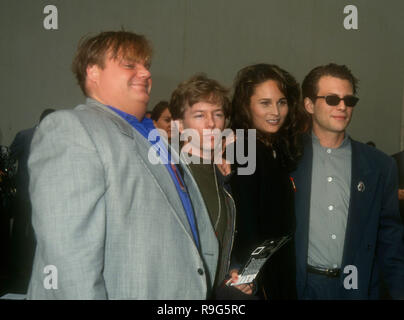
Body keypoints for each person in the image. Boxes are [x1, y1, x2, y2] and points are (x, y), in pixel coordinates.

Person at [27, 31, 218, 299]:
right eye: (130, 65)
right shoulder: (71, 129)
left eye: (146, 66)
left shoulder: (152, 136)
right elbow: (68, 257)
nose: (145, 73)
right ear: (93, 72)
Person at [292, 63, 404, 299]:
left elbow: (390, 240)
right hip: (300, 286)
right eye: (332, 99)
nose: (342, 106)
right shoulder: (288, 157)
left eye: (349, 100)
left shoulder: (380, 166)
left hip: (357, 288)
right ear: (309, 105)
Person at [169, 74, 253, 298]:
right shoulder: (170, 173)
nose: (211, 123)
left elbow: (220, 235)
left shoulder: (222, 173)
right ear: (179, 124)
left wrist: (231, 270)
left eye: (218, 114)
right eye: (199, 115)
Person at [229, 64, 306, 299]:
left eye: (281, 102)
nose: (276, 111)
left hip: (278, 267)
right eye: (265, 103)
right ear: (246, 106)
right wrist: (249, 277)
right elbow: (245, 224)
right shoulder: (244, 147)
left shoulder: (276, 147)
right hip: (256, 281)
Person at [8, 108, 55, 292]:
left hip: (38, 196)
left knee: (32, 235)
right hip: (28, 195)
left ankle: (25, 269)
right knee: (23, 233)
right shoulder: (28, 136)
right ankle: (19, 270)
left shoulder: (50, 137)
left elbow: (11, 158)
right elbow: (10, 159)